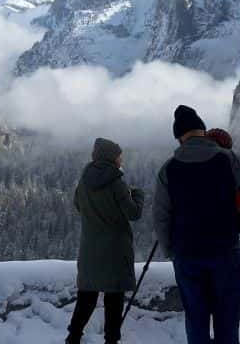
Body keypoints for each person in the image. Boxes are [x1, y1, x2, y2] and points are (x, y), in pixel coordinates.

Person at [154, 105, 240, 344]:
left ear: (179, 137)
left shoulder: (168, 169)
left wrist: (170, 250)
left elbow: (161, 216)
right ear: (202, 131)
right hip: (224, 251)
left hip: (187, 255)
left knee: (196, 321)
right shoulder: (228, 159)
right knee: (227, 321)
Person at [67, 138, 145, 344]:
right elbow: (134, 213)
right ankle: (111, 340)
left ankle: (73, 337)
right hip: (114, 251)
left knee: (87, 297)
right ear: (112, 158)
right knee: (114, 299)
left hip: (89, 250)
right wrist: (138, 195)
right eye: (119, 155)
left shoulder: (83, 182)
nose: (121, 159)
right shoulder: (117, 183)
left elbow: (78, 206)